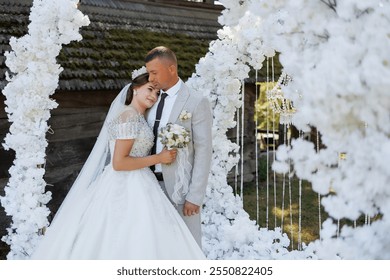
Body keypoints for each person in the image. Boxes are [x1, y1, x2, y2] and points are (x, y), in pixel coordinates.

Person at [30, 71, 206, 260]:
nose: (153, 96)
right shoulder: (129, 116)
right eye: (150, 90)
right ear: (135, 89)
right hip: (126, 184)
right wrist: (159, 158)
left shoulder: (137, 116)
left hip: (141, 181)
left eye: (157, 93)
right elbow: (119, 163)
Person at [145, 46, 213, 248]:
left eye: (154, 72)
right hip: (146, 184)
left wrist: (195, 196)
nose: (150, 78)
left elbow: (203, 150)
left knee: (184, 245)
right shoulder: (150, 98)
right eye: (148, 73)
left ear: (171, 68)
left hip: (179, 189)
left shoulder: (196, 101)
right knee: (154, 244)